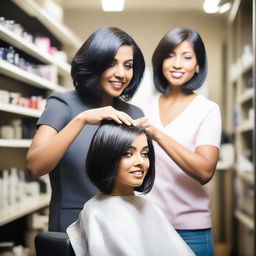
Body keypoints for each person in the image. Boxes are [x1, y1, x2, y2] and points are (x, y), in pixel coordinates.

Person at [25, 26, 145, 232]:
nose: (121, 73)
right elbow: (34, 167)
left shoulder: (133, 113)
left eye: (128, 65)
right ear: (94, 62)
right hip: (72, 225)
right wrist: (80, 121)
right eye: (111, 63)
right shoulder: (62, 105)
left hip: (121, 224)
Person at [135, 28, 222, 255]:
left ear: (198, 65)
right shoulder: (143, 106)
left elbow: (205, 171)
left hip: (191, 230)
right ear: (160, 61)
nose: (177, 64)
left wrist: (157, 134)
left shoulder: (208, 110)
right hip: (145, 224)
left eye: (187, 57)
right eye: (170, 55)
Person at [67, 120, 195, 256]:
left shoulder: (148, 206)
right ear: (106, 157)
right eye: (128, 153)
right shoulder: (96, 213)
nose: (141, 162)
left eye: (145, 154)